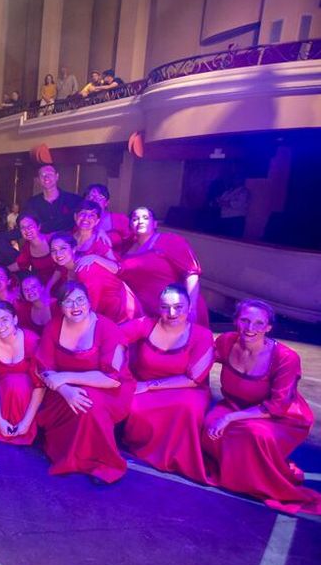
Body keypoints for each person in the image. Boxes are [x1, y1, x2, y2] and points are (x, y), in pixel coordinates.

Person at [202, 300, 321, 515]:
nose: (250, 328)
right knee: (209, 426)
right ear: (236, 321)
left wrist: (229, 418)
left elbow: (277, 406)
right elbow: (202, 358)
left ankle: (256, 482)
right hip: (235, 405)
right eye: (245, 320)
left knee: (253, 433)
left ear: (268, 328)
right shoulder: (227, 341)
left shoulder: (285, 358)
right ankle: (236, 473)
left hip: (278, 416)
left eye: (259, 323)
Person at [35, 282, 135, 483]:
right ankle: (65, 453)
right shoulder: (54, 326)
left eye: (80, 300)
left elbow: (113, 379)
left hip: (107, 388)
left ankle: (102, 463)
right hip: (65, 389)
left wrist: (65, 378)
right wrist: (65, 390)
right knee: (73, 401)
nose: (75, 306)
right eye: (68, 302)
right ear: (61, 307)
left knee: (90, 404)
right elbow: (44, 367)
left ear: (89, 302)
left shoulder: (107, 329)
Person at [120, 285, 213, 483]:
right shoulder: (146, 324)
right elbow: (114, 336)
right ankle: (143, 450)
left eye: (179, 307)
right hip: (144, 383)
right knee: (135, 408)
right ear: (158, 308)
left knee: (188, 408)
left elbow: (194, 378)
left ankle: (178, 459)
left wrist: (149, 385)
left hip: (185, 388)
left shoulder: (202, 335)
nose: (172, 313)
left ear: (189, 308)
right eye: (165, 307)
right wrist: (120, 365)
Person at [118, 207, 209, 326]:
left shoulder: (169, 240)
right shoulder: (126, 249)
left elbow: (191, 273)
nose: (140, 221)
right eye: (135, 219)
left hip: (178, 310)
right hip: (147, 314)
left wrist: (190, 308)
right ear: (130, 225)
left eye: (145, 218)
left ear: (155, 223)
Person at [0, 302, 44, 445]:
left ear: (15, 319)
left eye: (5, 319)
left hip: (25, 393)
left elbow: (39, 385)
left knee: (17, 382)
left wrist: (26, 422)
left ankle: (23, 422)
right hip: (1, 392)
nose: (0, 326)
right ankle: (4, 421)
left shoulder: (31, 341)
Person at [48, 232, 139, 324]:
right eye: (53, 250)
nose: (58, 253)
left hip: (121, 315)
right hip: (103, 312)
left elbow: (88, 307)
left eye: (63, 248)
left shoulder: (85, 269)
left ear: (73, 249)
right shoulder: (66, 268)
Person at [24, 164, 83, 233]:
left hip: (68, 242)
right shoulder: (32, 203)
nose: (46, 177)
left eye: (50, 174)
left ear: (57, 176)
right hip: (42, 242)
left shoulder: (75, 200)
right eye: (42, 175)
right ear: (38, 180)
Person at [84, 184, 131, 255]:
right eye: (90, 196)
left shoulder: (120, 219)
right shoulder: (81, 220)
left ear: (106, 202)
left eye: (100, 197)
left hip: (115, 263)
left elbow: (133, 242)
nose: (94, 200)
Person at [11, 212, 56, 282]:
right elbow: (20, 264)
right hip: (41, 285)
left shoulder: (53, 239)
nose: (27, 230)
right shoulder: (26, 248)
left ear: (38, 226)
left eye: (30, 226)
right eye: (23, 228)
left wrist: (48, 288)